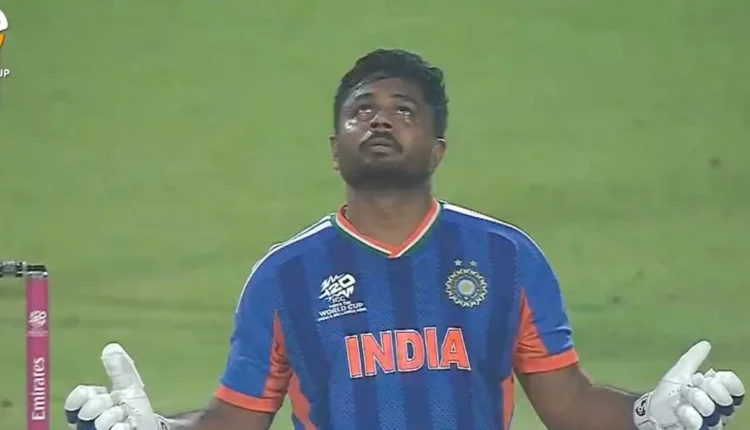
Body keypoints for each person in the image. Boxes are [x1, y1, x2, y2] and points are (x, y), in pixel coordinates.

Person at [64, 49, 744, 430]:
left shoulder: (505, 257)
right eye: (361, 111)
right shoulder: (284, 276)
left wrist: (650, 416)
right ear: (335, 148)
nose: (380, 121)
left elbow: (568, 404)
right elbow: (235, 422)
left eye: (403, 111)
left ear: (438, 147)